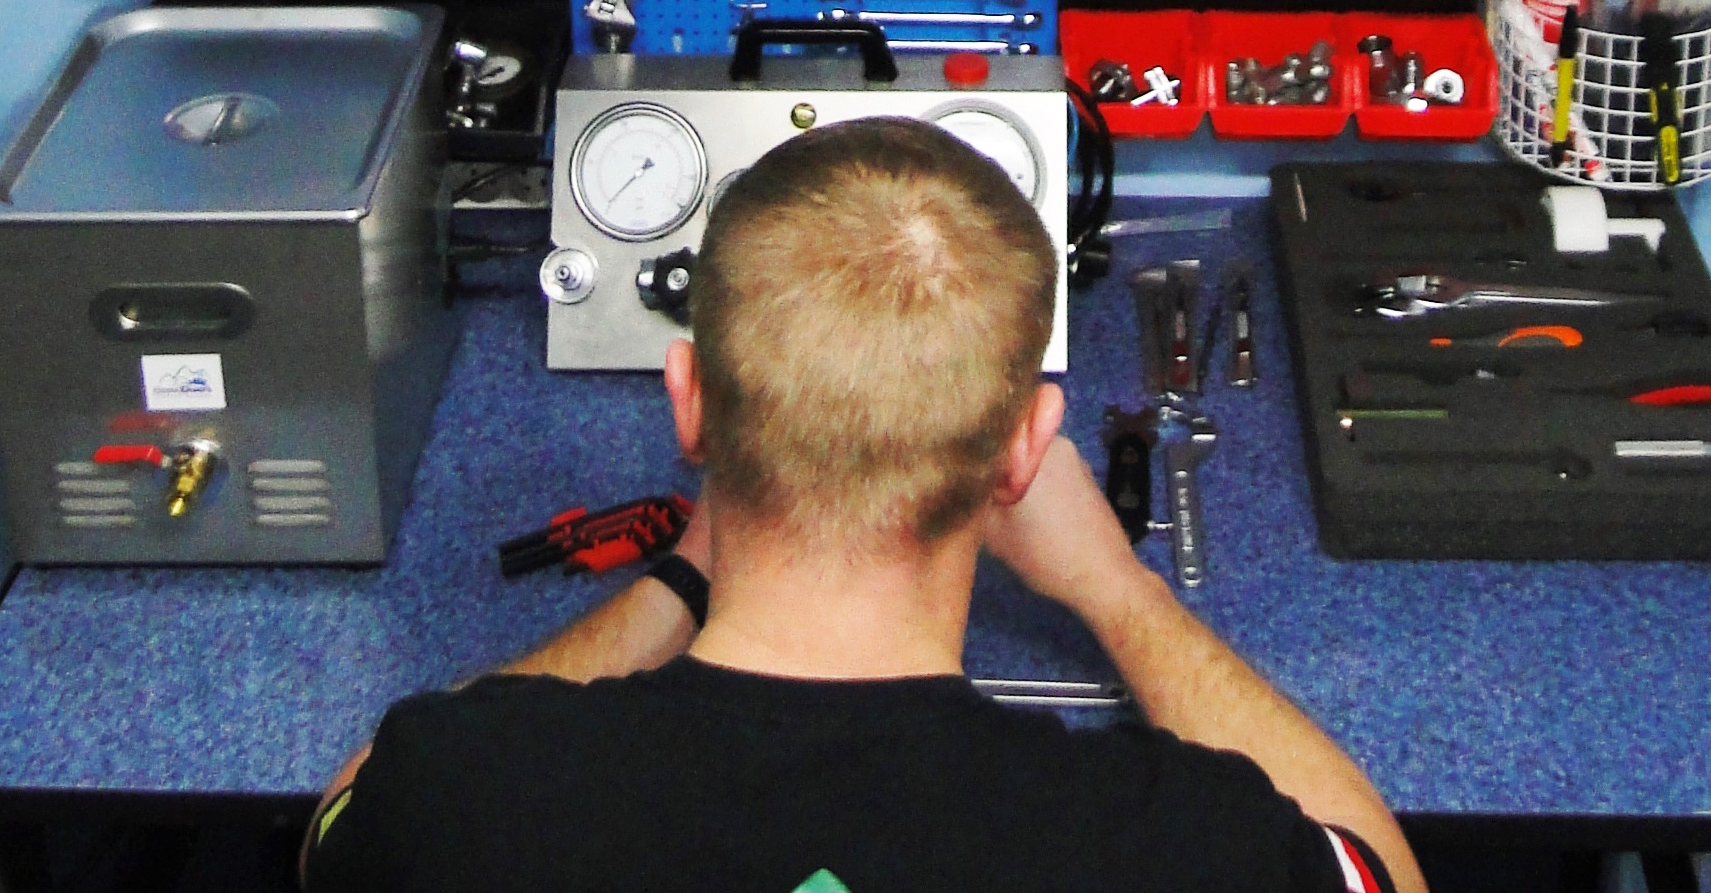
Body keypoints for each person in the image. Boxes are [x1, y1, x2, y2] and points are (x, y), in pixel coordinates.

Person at [303, 117, 1423, 893]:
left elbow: (341, 820)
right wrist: (1117, 590)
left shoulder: (460, 797)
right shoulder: (1165, 841)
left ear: (689, 403)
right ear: (1027, 448)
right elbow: (1381, 874)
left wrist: (679, 579)